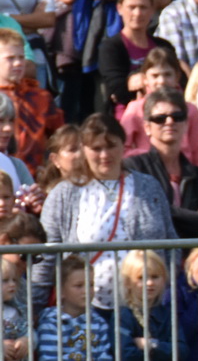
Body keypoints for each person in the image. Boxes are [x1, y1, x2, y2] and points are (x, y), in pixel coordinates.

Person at [35, 113, 175, 305]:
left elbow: (171, 244)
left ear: (123, 145)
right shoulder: (63, 194)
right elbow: (46, 255)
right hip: (85, 310)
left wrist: (167, 294)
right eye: (96, 148)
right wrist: (35, 307)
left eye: (111, 146)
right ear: (84, 149)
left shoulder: (149, 186)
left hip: (143, 307)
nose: (104, 155)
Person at [123, 88, 198, 238]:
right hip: (151, 257)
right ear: (147, 127)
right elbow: (147, 215)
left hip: (193, 258)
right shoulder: (134, 168)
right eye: (160, 118)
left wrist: (172, 215)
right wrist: (196, 217)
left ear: (186, 124)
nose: (169, 122)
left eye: (177, 116)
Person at [0, 30, 61, 171]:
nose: (18, 64)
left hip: (33, 176)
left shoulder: (41, 97)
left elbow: (59, 139)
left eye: (21, 58)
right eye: (10, 58)